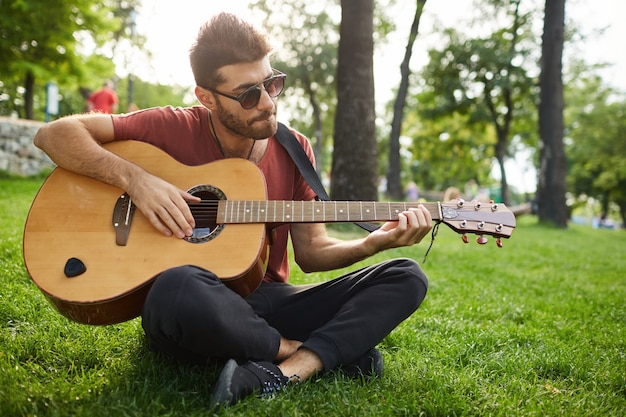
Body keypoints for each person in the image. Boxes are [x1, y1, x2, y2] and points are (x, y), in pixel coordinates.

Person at [33, 13, 432, 409]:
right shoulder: (171, 128)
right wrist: (137, 181)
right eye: (247, 94)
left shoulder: (296, 149)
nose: (267, 103)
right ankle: (310, 353)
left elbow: (311, 253)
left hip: (271, 302)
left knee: (406, 276)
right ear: (206, 97)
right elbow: (53, 134)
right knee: (176, 287)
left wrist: (375, 242)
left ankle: (286, 370)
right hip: (196, 306)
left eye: (272, 84)